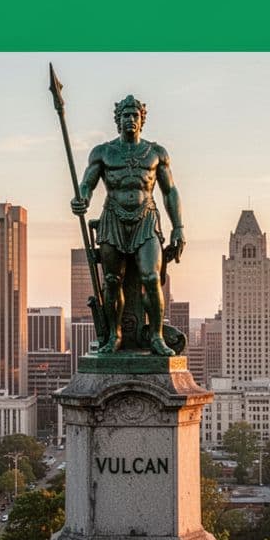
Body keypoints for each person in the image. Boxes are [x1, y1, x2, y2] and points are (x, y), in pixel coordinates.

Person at [71, 95, 185, 355]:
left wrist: (178, 227)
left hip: (146, 219)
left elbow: (170, 191)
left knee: (152, 277)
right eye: (125, 115)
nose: (130, 119)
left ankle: (156, 336)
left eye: (135, 115)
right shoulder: (103, 152)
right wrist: (82, 199)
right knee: (112, 281)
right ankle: (114, 335)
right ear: (118, 120)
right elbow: (87, 183)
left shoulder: (156, 153)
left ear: (141, 119)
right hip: (113, 219)